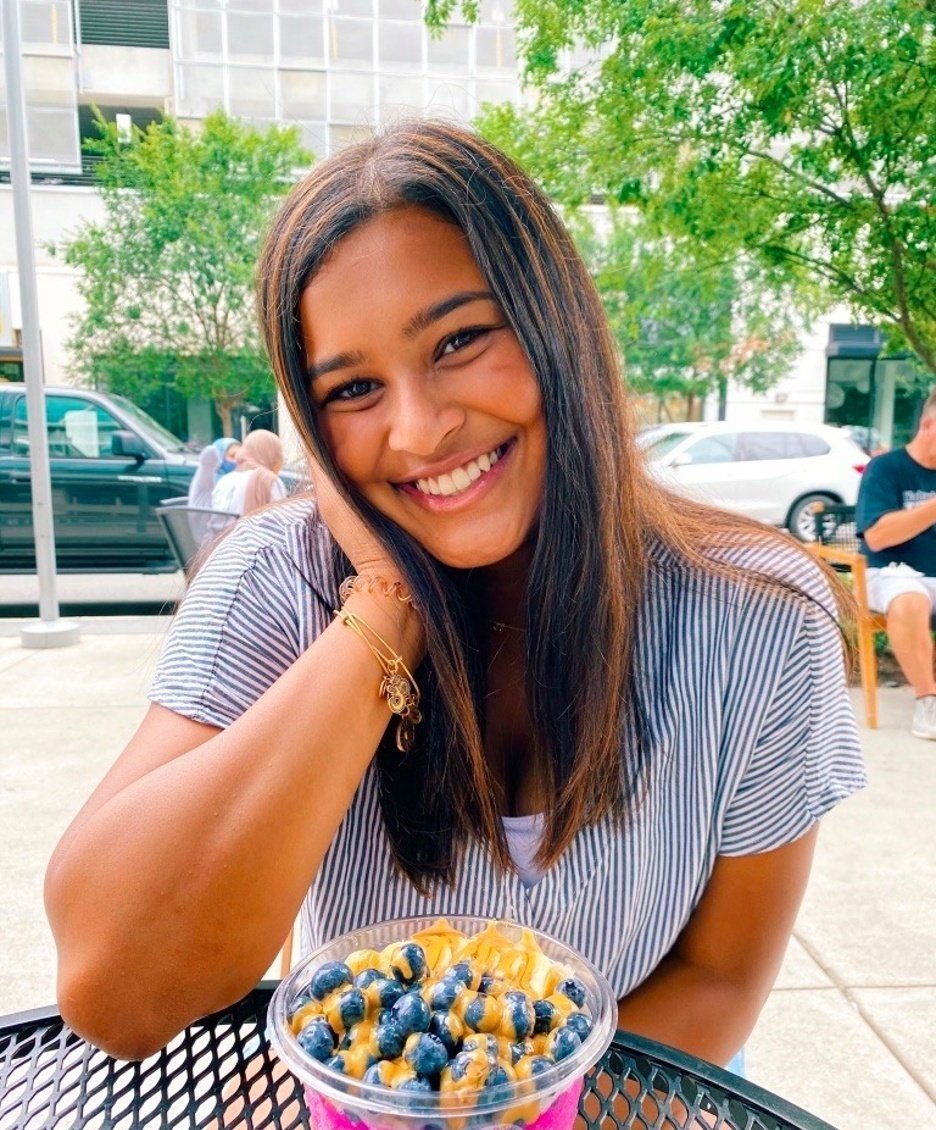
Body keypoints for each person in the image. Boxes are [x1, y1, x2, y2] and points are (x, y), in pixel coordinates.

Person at [44, 121, 865, 1069]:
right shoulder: (277, 580)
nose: (422, 428)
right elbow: (115, 988)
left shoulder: (760, 618)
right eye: (352, 390)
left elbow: (719, 978)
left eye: (460, 339)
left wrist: (509, 1108)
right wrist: (387, 608)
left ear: (556, 324)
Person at [856, 390, 936, 739]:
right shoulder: (886, 468)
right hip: (892, 573)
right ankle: (928, 703)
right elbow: (877, 536)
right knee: (909, 599)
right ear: (929, 424)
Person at [210, 428, 286, 517]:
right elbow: (281, 519)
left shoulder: (224, 480)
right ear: (273, 454)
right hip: (254, 531)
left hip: (222, 531)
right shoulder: (269, 480)